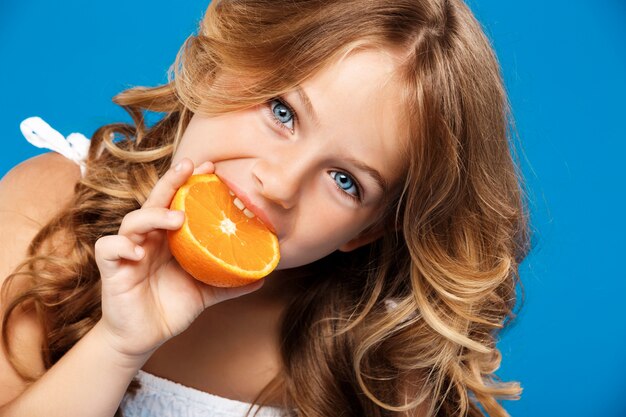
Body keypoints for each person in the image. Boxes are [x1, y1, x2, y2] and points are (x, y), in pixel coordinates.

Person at [0, 0, 531, 416]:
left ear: (366, 232)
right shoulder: (51, 211)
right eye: (282, 112)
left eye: (345, 181)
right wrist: (117, 346)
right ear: (217, 67)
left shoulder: (380, 367)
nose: (279, 183)